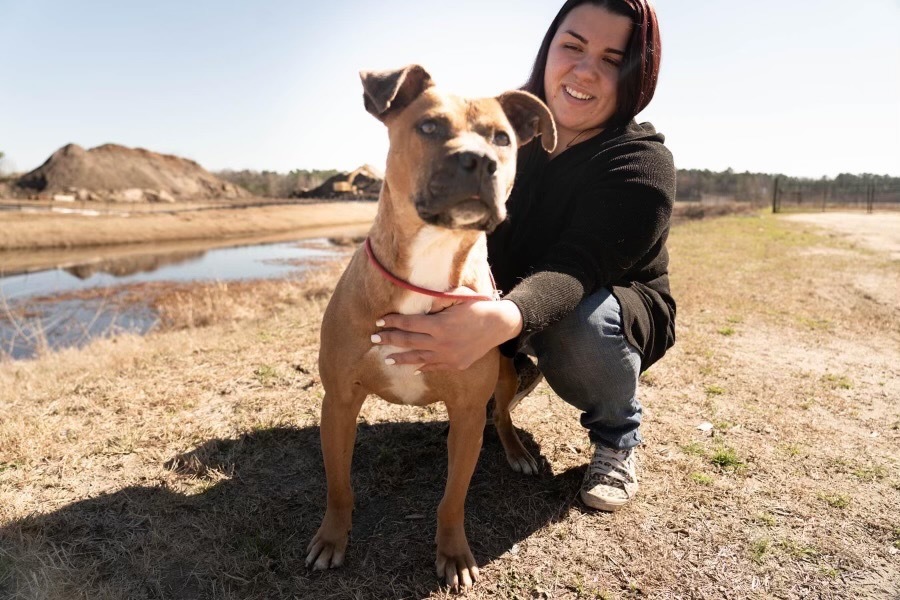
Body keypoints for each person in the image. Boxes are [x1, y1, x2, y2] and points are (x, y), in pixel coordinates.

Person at [371, 0, 675, 512]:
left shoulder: (641, 161)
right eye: (573, 47)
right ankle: (516, 361)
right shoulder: (505, 135)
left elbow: (575, 269)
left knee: (578, 324)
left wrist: (500, 319)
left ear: (636, 74)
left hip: (604, 306)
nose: (584, 70)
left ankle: (617, 437)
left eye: (610, 58)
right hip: (508, 295)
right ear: (549, 47)